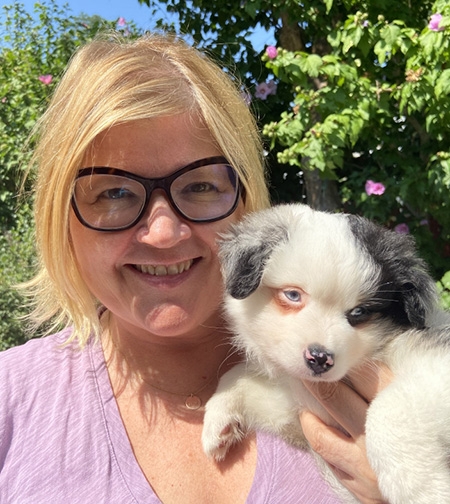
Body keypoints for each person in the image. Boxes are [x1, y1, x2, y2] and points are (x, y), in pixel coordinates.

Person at [0, 32, 389, 503]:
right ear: (60, 218)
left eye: (201, 186)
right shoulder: (12, 402)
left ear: (247, 203)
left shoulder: (374, 372)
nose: (163, 234)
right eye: (114, 192)